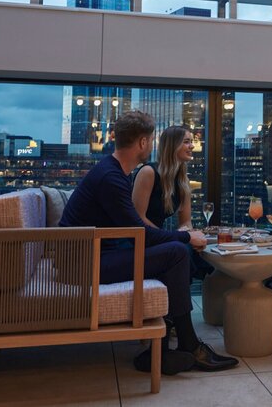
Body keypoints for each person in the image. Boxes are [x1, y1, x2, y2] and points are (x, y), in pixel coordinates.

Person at [59, 111, 237, 375]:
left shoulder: (113, 171)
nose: (152, 145)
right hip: (84, 264)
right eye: (150, 139)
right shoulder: (112, 177)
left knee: (175, 252)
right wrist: (187, 236)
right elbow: (139, 230)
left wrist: (185, 235)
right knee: (176, 251)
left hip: (90, 256)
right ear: (142, 143)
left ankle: (164, 348)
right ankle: (187, 344)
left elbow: (137, 229)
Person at [132, 125, 213, 281]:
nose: (192, 146)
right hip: (141, 240)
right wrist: (176, 237)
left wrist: (187, 233)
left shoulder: (182, 181)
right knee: (184, 250)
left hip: (159, 238)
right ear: (173, 145)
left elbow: (186, 221)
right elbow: (138, 218)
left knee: (204, 251)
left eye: (192, 142)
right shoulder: (149, 172)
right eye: (187, 142)